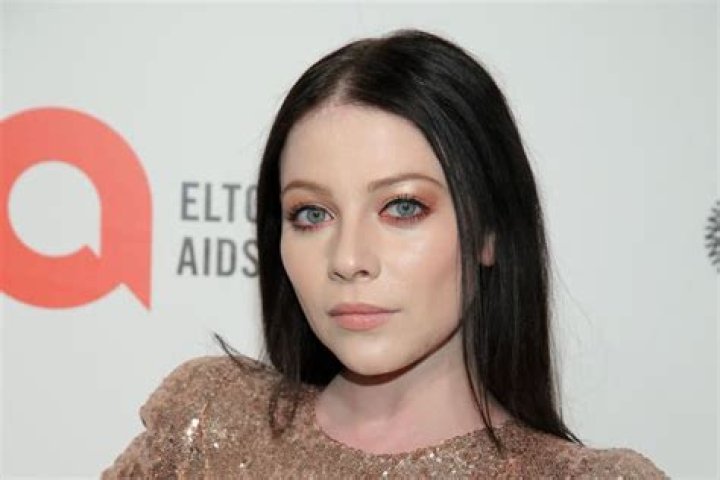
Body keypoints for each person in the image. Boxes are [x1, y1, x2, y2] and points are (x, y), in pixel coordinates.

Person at [102, 28, 667, 478]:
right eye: (311, 214)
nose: (348, 258)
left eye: (402, 207)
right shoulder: (206, 429)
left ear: (489, 232)